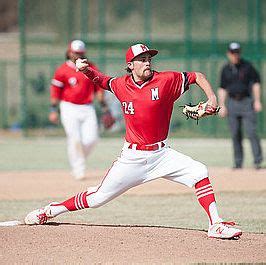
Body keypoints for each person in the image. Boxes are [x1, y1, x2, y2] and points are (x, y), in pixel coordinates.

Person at [25, 43, 242, 239]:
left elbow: (197, 76)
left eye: (149, 59)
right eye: (142, 59)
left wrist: (212, 98)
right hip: (133, 157)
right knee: (98, 199)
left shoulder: (166, 80)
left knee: (199, 172)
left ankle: (216, 224)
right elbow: (102, 81)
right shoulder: (121, 85)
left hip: (162, 154)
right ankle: (51, 210)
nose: (147, 62)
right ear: (130, 65)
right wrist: (85, 69)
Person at [49, 40, 110, 180]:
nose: (78, 55)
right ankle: (78, 168)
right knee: (74, 138)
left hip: (87, 107)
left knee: (92, 139)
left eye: (81, 53)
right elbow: (55, 91)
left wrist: (105, 109)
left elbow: (99, 89)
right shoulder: (62, 70)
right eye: (76, 53)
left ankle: (78, 161)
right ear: (70, 52)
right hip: (68, 107)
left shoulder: (90, 67)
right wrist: (53, 109)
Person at [218, 42, 263, 169]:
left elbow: (255, 83)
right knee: (235, 133)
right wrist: (222, 105)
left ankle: (257, 161)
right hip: (232, 103)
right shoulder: (225, 69)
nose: (235, 55)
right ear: (228, 54)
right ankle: (238, 163)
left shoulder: (247, 66)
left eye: (237, 52)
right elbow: (222, 88)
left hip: (246, 102)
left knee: (251, 132)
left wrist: (257, 101)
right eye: (232, 53)